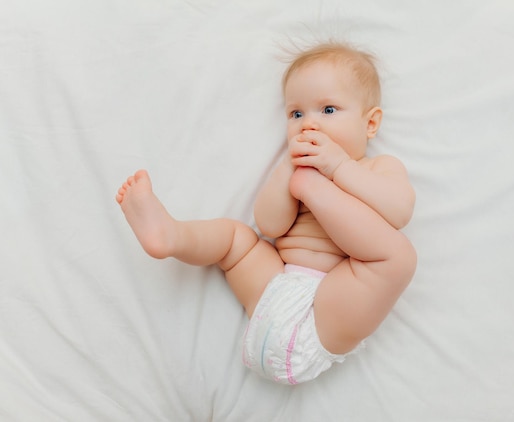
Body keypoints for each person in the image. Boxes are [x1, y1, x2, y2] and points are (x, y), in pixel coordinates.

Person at [115, 41, 417, 385]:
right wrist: (291, 171)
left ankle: (313, 194)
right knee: (236, 240)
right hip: (274, 291)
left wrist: (338, 169)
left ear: (371, 123)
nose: (309, 125)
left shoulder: (377, 168)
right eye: (296, 114)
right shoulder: (294, 167)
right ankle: (170, 236)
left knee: (398, 257)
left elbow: (399, 211)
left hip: (325, 314)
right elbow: (270, 226)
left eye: (328, 110)